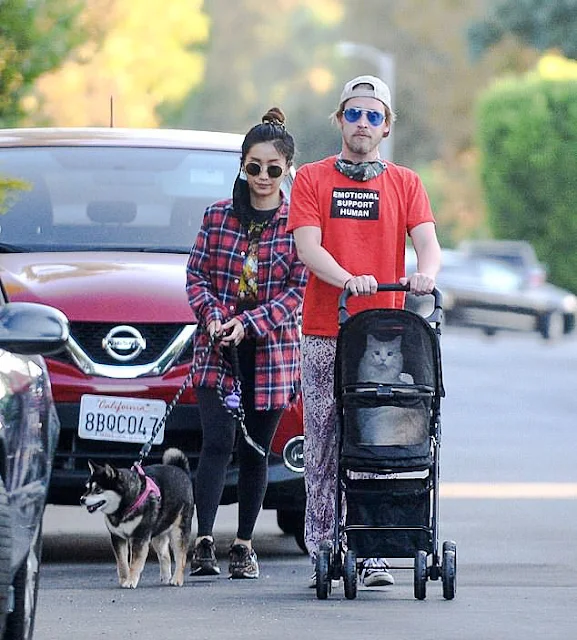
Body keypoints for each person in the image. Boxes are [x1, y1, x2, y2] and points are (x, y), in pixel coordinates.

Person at [286, 75, 441, 588]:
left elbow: (428, 243)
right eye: (354, 113)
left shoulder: (405, 183)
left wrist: (426, 275)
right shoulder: (311, 179)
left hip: (383, 334)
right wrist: (347, 278)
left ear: (386, 126)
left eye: (373, 116)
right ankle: (324, 549)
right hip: (326, 331)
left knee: (376, 439)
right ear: (339, 119)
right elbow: (308, 247)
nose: (363, 124)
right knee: (326, 442)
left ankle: (371, 549)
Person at [186, 107, 307, 579]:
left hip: (272, 354)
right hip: (217, 350)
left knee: (257, 449)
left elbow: (297, 291)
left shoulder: (298, 224)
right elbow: (196, 275)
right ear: (241, 164)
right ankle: (203, 542)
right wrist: (215, 318)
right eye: (253, 167)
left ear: (287, 171)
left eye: (273, 169)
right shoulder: (217, 216)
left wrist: (250, 323)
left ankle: (243, 544)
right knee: (216, 442)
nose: (262, 177)